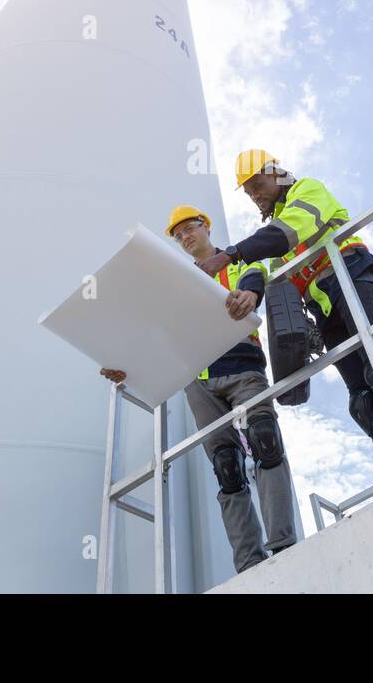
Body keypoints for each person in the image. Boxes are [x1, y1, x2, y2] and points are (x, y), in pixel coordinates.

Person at [196, 150, 373, 490]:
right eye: (249, 191)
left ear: (277, 172)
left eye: (258, 184)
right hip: (325, 308)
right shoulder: (269, 240)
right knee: (364, 400)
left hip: (356, 279)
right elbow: (269, 275)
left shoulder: (306, 191)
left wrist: (230, 254)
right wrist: (252, 295)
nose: (255, 194)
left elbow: (291, 230)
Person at [100, 205, 297, 573]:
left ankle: (284, 545)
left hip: (244, 366)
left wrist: (249, 297)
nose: (186, 237)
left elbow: (255, 280)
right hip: (201, 379)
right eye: (178, 235)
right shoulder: (179, 282)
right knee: (226, 466)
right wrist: (125, 367)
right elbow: (157, 336)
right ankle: (250, 563)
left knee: (265, 439)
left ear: (205, 227)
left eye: (190, 228)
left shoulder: (240, 259)